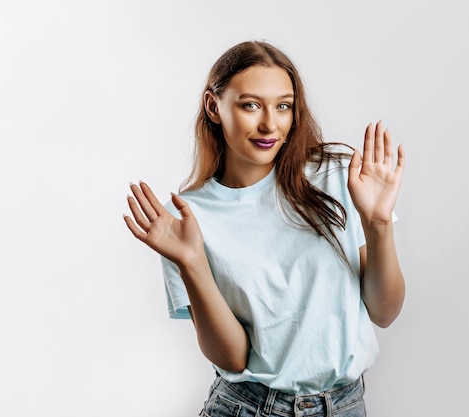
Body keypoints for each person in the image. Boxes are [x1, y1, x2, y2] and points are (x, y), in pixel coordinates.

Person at [124, 40, 405, 417]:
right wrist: (191, 262)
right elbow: (233, 358)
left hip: (346, 405)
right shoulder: (188, 217)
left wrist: (378, 223)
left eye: (283, 106)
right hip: (249, 408)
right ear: (214, 107)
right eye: (251, 104)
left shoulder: (336, 175)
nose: (269, 124)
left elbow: (384, 312)